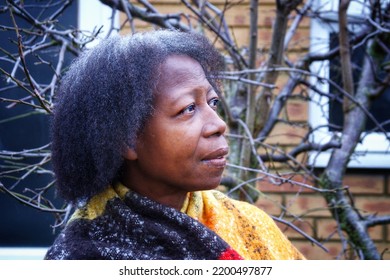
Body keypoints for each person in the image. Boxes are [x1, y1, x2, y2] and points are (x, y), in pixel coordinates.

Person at [45, 30, 305, 260]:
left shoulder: (251, 225)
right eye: (188, 108)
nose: (218, 124)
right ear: (126, 139)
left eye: (213, 102)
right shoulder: (84, 256)